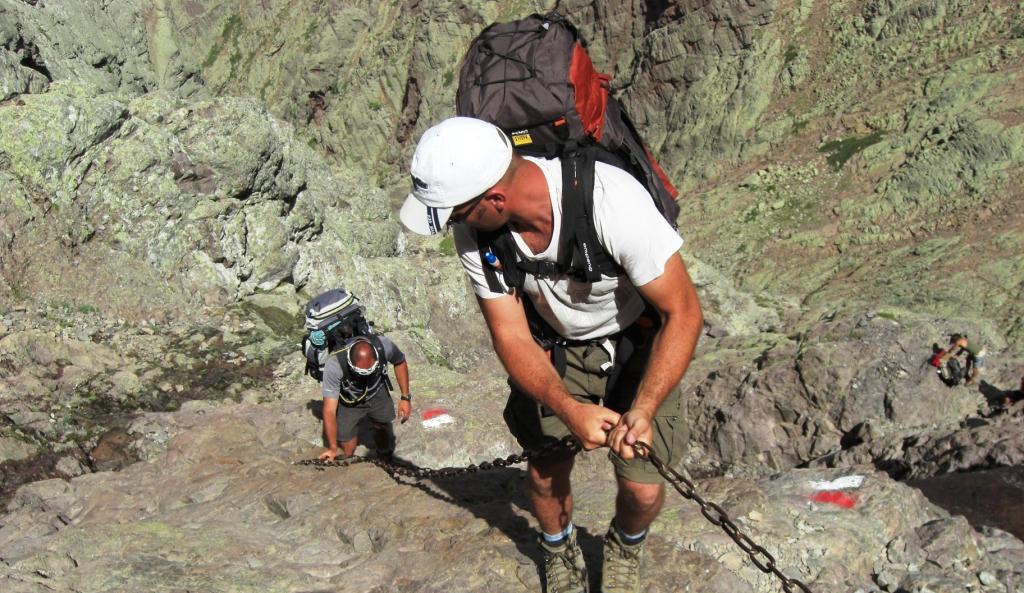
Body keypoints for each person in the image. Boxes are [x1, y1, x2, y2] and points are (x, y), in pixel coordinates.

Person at [400, 117, 702, 593]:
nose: (452, 225)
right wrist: (568, 407)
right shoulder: (479, 233)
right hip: (556, 346)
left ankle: (625, 545)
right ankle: (558, 547)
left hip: (637, 340)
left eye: (456, 213)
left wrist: (642, 409)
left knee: (643, 485)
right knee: (545, 474)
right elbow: (512, 336)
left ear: (494, 200)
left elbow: (682, 312)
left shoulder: (611, 200)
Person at [317, 335, 412, 461]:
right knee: (346, 439)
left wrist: (405, 398)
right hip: (350, 400)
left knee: (382, 425)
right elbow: (329, 410)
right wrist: (333, 448)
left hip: (377, 391)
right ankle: (348, 456)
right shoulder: (335, 364)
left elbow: (399, 361)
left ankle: (385, 454)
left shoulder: (383, 345)